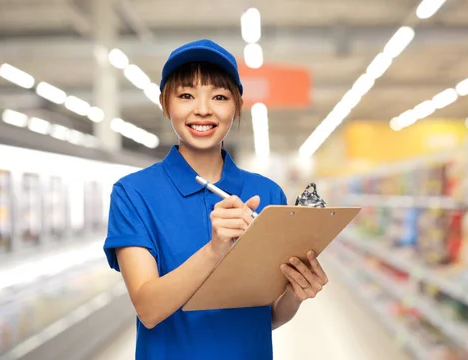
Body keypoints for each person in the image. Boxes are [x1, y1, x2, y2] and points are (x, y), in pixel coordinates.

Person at [103, 39, 329, 360]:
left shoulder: (267, 194)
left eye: (220, 97)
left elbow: (266, 318)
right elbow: (149, 309)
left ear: (236, 106)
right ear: (165, 103)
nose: (203, 109)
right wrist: (214, 251)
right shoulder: (134, 193)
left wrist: (295, 292)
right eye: (186, 95)